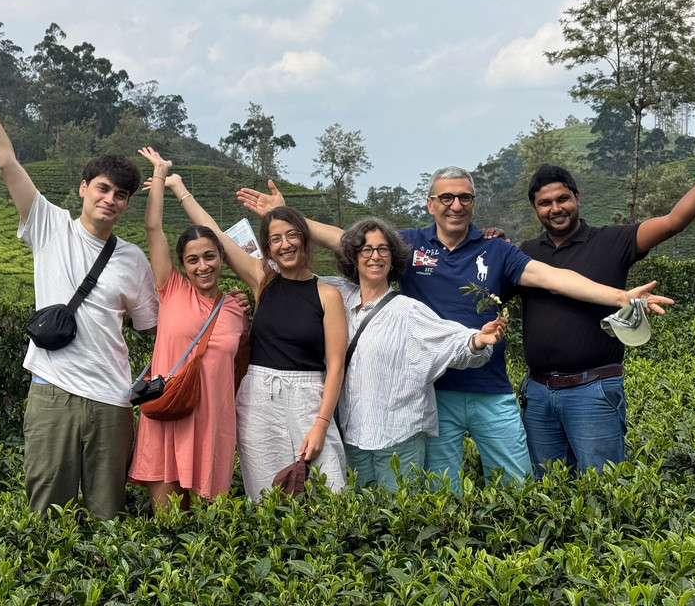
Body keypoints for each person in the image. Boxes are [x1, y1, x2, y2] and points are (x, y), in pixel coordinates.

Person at [237, 170, 671, 492]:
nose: (455, 205)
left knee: (515, 483)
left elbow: (555, 278)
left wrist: (619, 296)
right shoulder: (409, 246)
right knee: (442, 490)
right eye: (446, 197)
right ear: (431, 203)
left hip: (491, 390)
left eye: (464, 197)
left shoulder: (497, 249)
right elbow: (348, 241)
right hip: (436, 392)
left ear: (473, 203)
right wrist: (288, 218)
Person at [0, 36, 158, 519]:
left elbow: (153, 330)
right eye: (103, 189)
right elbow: (6, 159)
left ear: (128, 203)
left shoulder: (132, 260)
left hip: (113, 400)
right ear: (83, 189)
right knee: (46, 513)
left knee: (107, 515)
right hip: (52, 391)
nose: (110, 199)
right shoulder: (48, 225)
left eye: (121, 194)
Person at [516, 133, 695, 477]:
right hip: (539, 394)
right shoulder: (525, 254)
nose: (555, 208)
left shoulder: (611, 241)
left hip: (593, 390)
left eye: (563, 199)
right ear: (535, 208)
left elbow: (674, 221)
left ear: (577, 198)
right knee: (548, 495)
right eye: (545, 203)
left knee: (604, 491)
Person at [161, 172, 348, 500]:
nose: (285, 244)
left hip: (309, 396)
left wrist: (321, 422)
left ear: (305, 240)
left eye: (292, 235)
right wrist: (179, 188)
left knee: (329, 490)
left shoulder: (327, 294)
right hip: (259, 395)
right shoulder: (263, 278)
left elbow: (335, 366)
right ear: (268, 248)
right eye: (275, 239)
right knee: (266, 496)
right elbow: (215, 236)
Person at [320, 217, 507, 490]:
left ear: (393, 258)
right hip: (352, 435)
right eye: (366, 249)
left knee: (398, 520)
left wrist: (477, 340)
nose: (375, 256)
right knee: (359, 522)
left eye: (383, 249)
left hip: (399, 437)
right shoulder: (339, 296)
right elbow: (291, 277)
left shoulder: (408, 312)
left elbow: (452, 341)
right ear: (353, 256)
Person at [127, 148, 248, 511]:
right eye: (192, 260)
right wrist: (162, 176)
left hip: (213, 426)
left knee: (207, 533)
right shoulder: (172, 289)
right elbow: (153, 228)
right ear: (182, 265)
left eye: (210, 256)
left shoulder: (235, 307)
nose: (203, 266)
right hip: (170, 416)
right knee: (167, 529)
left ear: (222, 258)